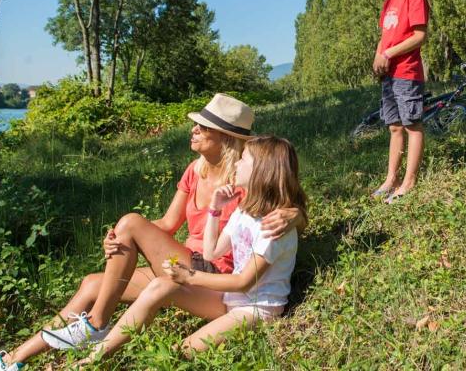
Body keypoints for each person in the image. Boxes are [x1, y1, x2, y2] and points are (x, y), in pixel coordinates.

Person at [0, 94, 305, 371]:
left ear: (225, 138)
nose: (194, 130)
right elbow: (167, 225)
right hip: (188, 260)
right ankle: (12, 361)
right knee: (91, 284)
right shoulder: (195, 171)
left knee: (129, 224)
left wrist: (294, 214)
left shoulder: (244, 182)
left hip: (214, 275)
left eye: (203, 127)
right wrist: (120, 239)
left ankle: (96, 326)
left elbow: (278, 209)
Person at [78, 135, 307, 363]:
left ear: (262, 171)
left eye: (244, 160)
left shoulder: (274, 226)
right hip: (230, 299)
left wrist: (190, 277)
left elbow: (243, 281)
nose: (237, 163)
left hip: (256, 310)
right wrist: (215, 210)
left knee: (178, 354)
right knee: (160, 285)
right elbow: (211, 253)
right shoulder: (243, 212)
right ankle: (93, 358)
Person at [371, 0, 430, 203]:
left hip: (407, 72)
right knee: (394, 127)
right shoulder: (389, 2)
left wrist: (390, 53)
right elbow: (385, 35)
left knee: (412, 125)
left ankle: (409, 181)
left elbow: (419, 36)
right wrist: (378, 56)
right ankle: (391, 178)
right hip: (389, 75)